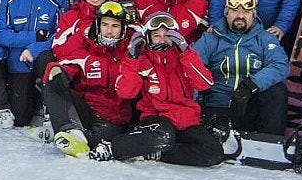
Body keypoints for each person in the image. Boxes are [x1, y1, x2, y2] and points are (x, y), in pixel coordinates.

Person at [88, 13, 228, 167]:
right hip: (156, 117)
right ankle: (112, 148)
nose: (162, 40)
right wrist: (132, 58)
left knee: (213, 152)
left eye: (167, 35)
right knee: (163, 136)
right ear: (148, 38)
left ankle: (157, 152)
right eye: (156, 35)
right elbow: (125, 92)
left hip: (186, 120)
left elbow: (205, 83)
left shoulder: (186, 58)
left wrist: (185, 51)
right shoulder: (142, 60)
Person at [40, 0, 146, 157]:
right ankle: (71, 130)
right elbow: (68, 64)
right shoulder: (89, 48)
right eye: (105, 25)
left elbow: (130, 91)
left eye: (115, 26)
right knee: (53, 82)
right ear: (98, 25)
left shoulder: (131, 55)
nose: (109, 31)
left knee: (96, 142)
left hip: (112, 118)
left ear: (123, 28)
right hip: (86, 111)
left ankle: (68, 135)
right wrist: (57, 70)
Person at [194, 0, 290, 139]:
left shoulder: (265, 38)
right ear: (226, 13)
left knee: (277, 90)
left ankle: (272, 142)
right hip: (219, 104)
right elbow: (193, 65)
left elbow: (280, 65)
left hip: (251, 104)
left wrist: (250, 85)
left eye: (246, 12)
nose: (240, 16)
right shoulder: (210, 38)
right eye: (234, 11)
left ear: (254, 15)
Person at [0, 0, 64, 127]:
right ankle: (33, 99)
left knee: (47, 60)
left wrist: (35, 48)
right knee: (21, 119)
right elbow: (1, 34)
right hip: (18, 63)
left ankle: (49, 103)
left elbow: (61, 35)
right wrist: (34, 37)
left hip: (43, 60)